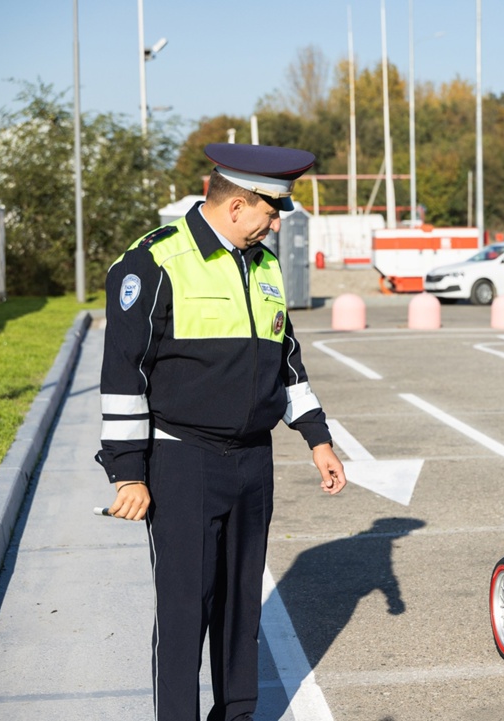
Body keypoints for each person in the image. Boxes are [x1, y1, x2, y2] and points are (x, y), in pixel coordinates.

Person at [96, 143, 348, 721]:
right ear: (236, 205)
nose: (276, 223)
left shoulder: (263, 264)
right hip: (183, 462)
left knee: (240, 610)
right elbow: (124, 374)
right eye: (271, 210)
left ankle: (236, 714)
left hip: (253, 462)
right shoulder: (154, 261)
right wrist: (128, 472)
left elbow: (286, 359)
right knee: (185, 611)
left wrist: (317, 437)